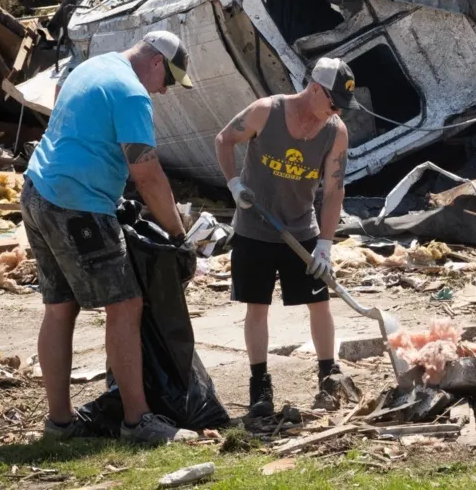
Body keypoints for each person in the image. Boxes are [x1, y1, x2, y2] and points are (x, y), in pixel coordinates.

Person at [21, 30, 197, 444]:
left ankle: (60, 423)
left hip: (37, 193)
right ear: (156, 62)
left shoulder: (92, 67)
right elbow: (147, 173)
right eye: (167, 80)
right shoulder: (131, 92)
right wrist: (178, 235)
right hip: (77, 205)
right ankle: (138, 422)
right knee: (126, 304)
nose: (165, 91)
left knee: (60, 308)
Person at [214, 57, 354, 417]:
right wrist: (234, 185)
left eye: (341, 106)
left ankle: (328, 375)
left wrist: (325, 243)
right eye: (333, 102)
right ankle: (260, 383)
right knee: (257, 306)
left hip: (301, 230)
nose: (336, 111)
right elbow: (224, 140)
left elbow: (334, 190)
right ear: (314, 89)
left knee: (319, 303)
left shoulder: (335, 131)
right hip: (255, 228)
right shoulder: (266, 112)